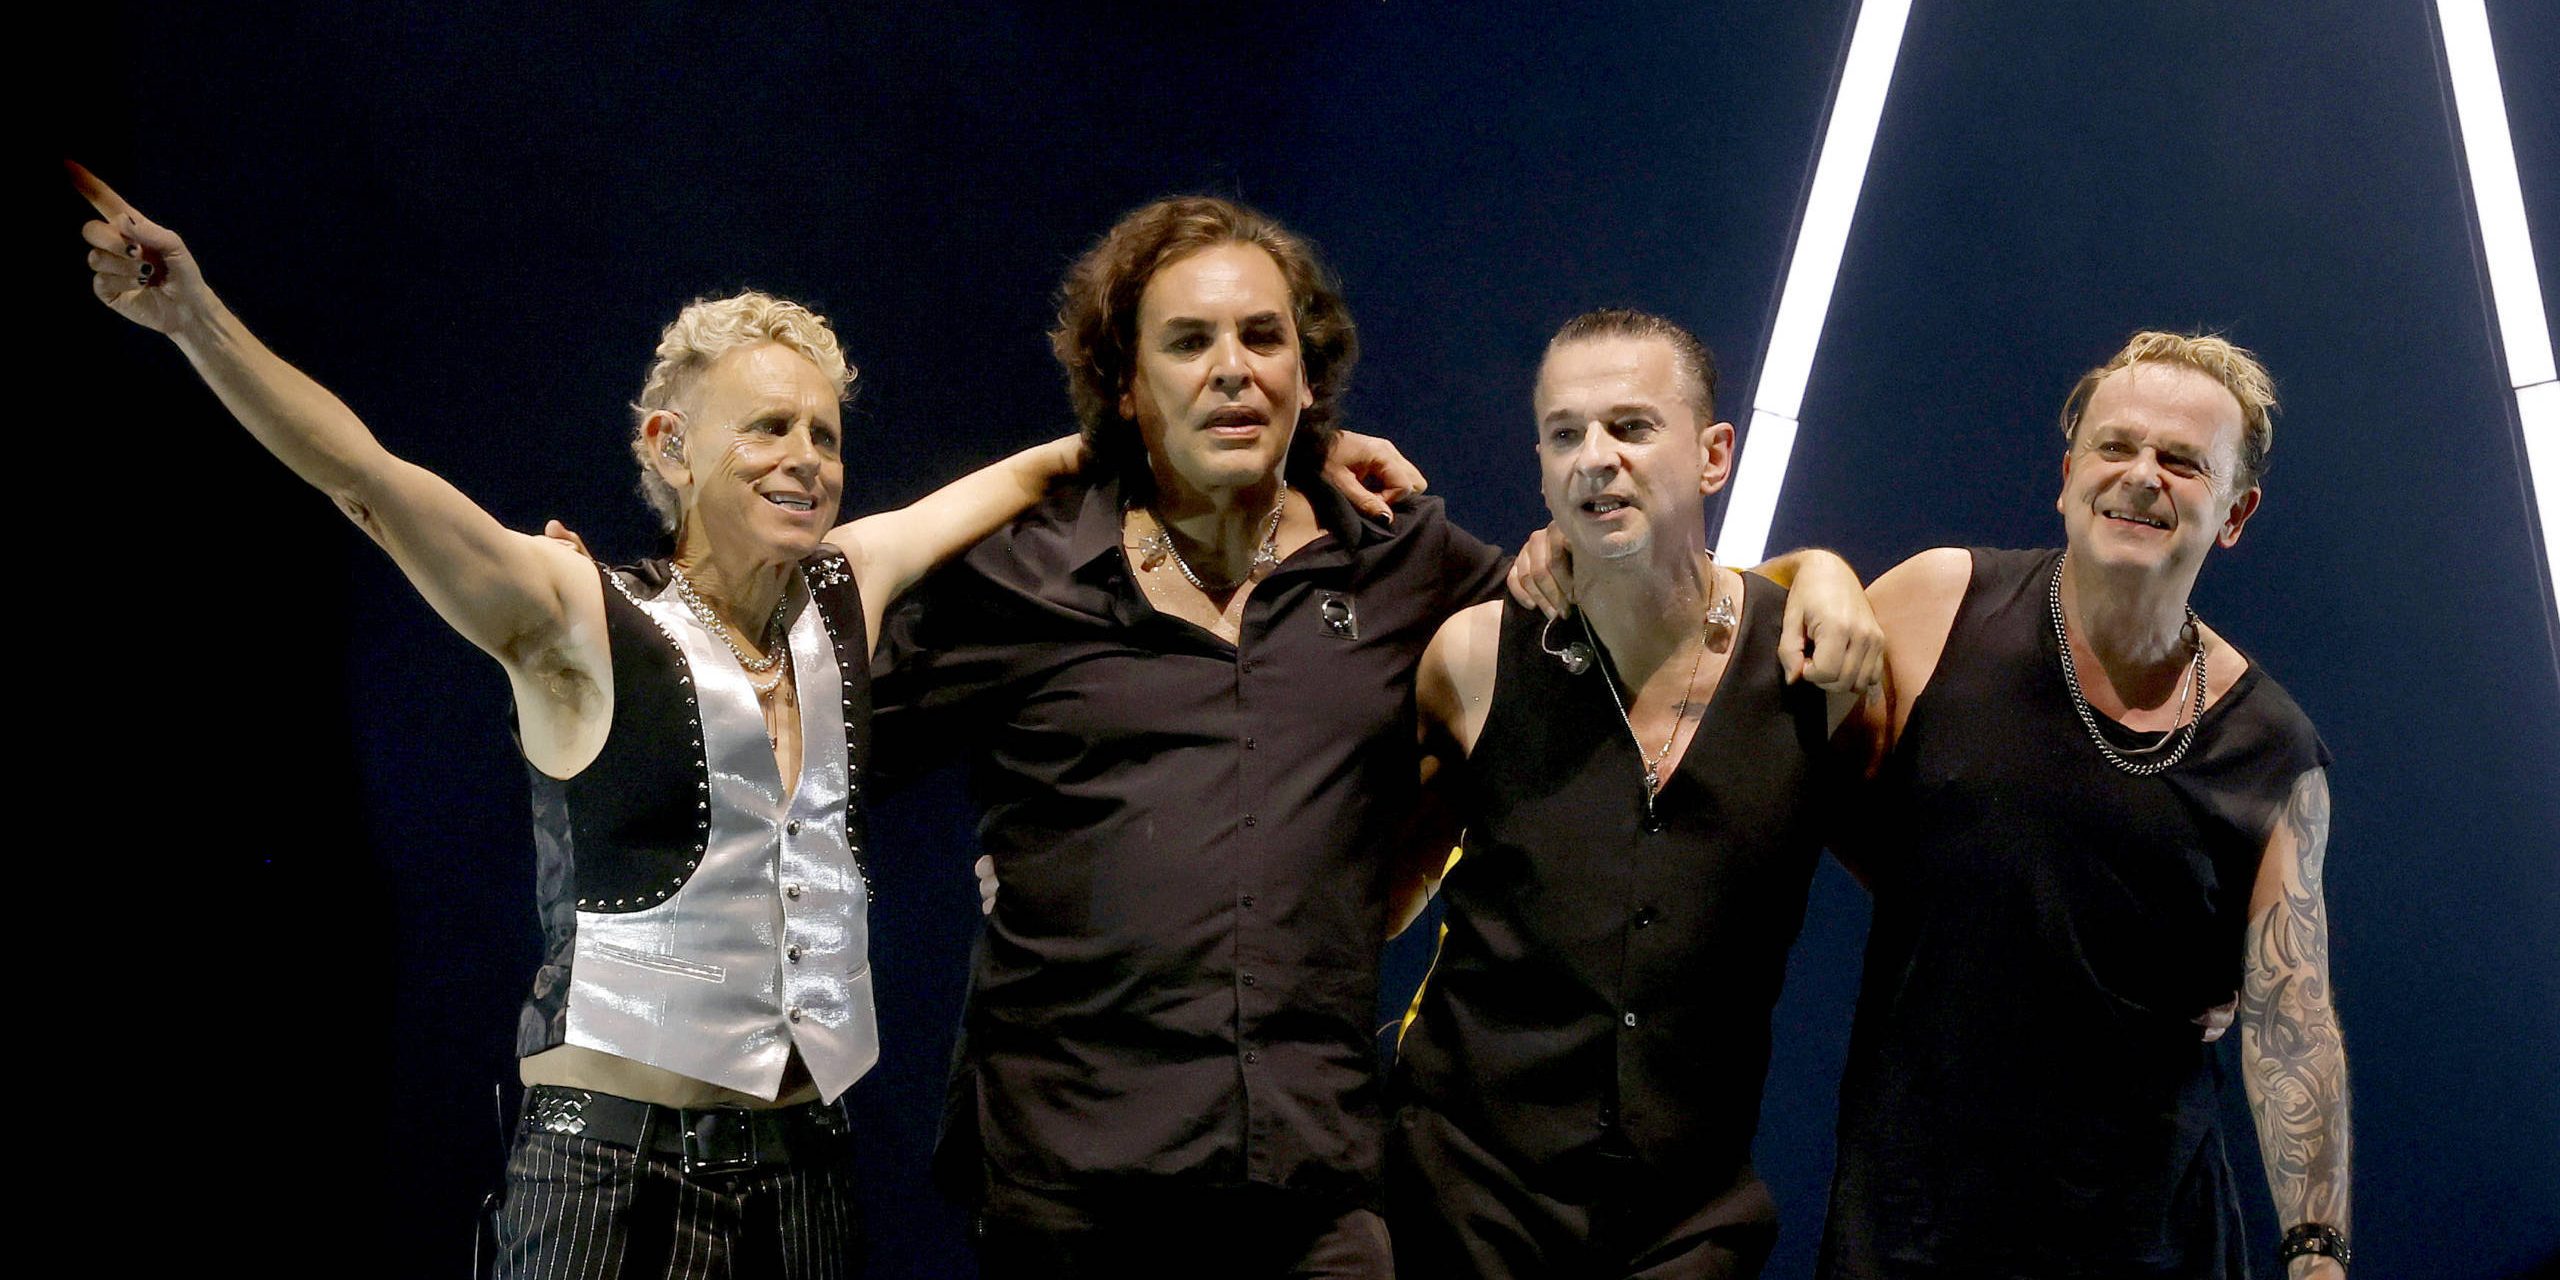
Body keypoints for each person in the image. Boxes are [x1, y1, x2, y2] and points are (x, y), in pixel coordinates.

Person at [73, 163, 1091, 1279]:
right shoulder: (577, 612)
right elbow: (363, 475)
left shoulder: (848, 588)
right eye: (767, 427)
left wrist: (1210, 440)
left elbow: (1031, 475)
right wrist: (196, 318)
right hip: (613, 1180)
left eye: (825, 434)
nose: (806, 457)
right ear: (670, 445)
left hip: (807, 1170)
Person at [1819, 332, 2351, 1278]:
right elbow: (1753, 710)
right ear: (2068, 478)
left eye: (2182, 461)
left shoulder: (2275, 748)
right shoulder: (1939, 603)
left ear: (2235, 513)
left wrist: (2319, 1258)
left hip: (2150, 1243)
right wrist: (1817, 567)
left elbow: (2293, 1026)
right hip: (1912, 1231)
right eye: (2115, 446)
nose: (2141, 476)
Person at [1389, 309, 1877, 1278]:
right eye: (1565, 433)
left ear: (1715, 455)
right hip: (1459, 1199)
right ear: (1540, 470)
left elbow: (1942, 890)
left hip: (1687, 1221)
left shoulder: (1812, 665)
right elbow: (1358, 906)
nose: (1595, 457)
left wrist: (1824, 567)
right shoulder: (1474, 658)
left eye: (1631, 426)